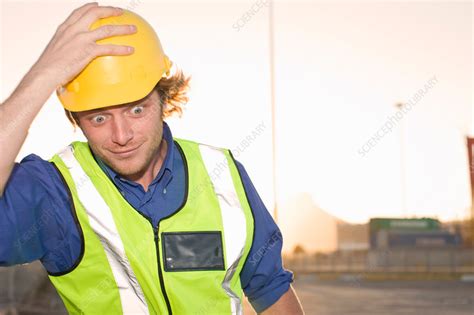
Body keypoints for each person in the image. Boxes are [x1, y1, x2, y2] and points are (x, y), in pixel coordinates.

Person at [0, 2, 304, 314]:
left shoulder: (222, 173)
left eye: (136, 109)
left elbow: (270, 288)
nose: (121, 136)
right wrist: (42, 75)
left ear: (163, 95)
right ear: (76, 118)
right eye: (99, 118)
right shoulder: (55, 192)